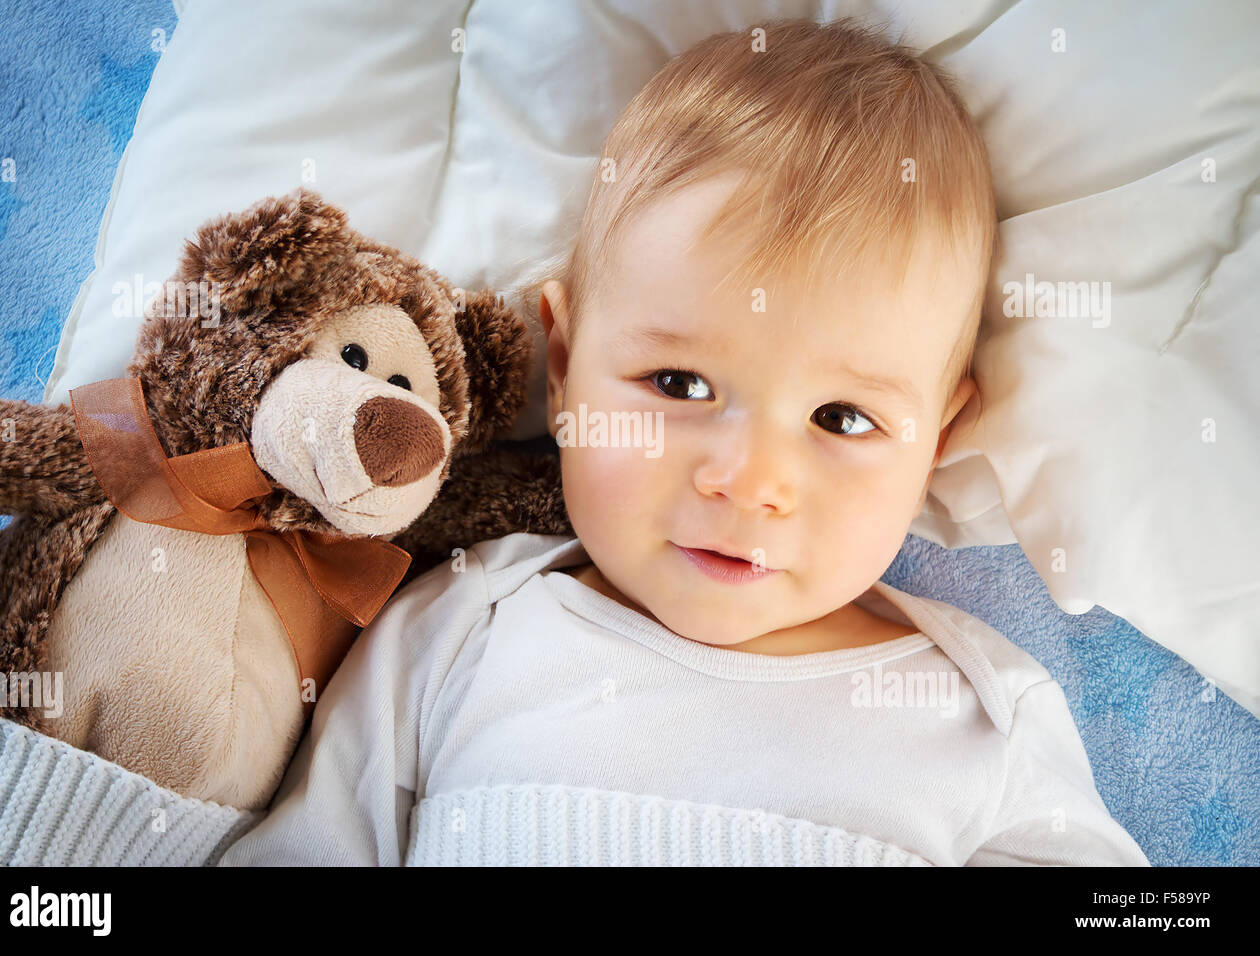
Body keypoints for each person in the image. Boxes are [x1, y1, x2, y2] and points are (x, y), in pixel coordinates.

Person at [218, 17, 1148, 867]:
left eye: (843, 419)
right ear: (569, 361)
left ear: (936, 441)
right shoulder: (463, 629)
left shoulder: (983, 719)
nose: (748, 482)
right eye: (679, 385)